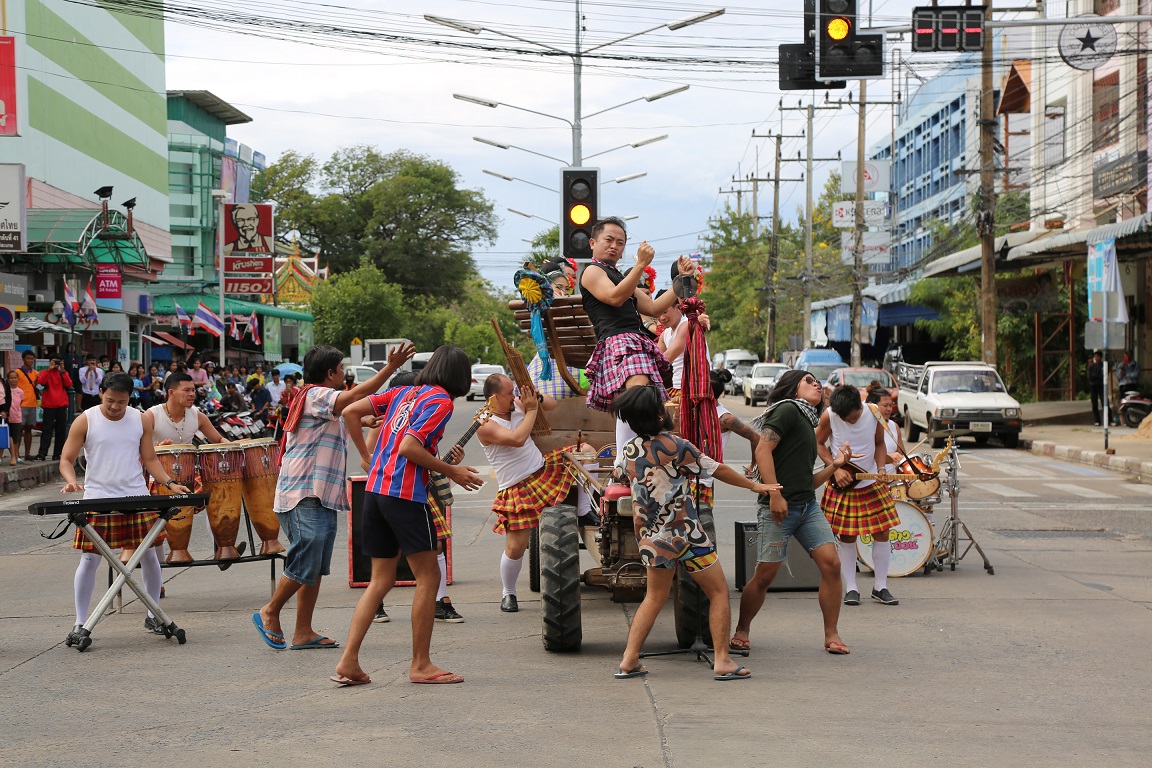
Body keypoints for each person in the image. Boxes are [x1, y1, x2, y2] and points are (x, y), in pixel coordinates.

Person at [253, 342, 414, 656]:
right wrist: (391, 368)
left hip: (319, 494)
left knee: (314, 566)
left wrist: (365, 422)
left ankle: (303, 631)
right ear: (330, 374)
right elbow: (353, 398)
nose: (344, 375)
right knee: (307, 555)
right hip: (305, 492)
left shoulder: (319, 401)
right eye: (341, 370)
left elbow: (342, 416)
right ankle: (270, 611)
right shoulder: (315, 394)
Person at [333, 345, 480, 686]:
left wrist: (367, 455)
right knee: (429, 577)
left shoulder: (404, 392)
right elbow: (409, 447)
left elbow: (351, 411)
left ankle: (349, 661)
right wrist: (451, 471)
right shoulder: (440, 400)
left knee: (380, 581)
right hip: (404, 496)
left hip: (375, 493)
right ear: (460, 376)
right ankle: (420, 664)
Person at [610, 384, 778, 681]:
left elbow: (618, 474)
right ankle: (723, 660)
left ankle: (629, 659)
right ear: (659, 416)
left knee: (653, 598)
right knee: (717, 592)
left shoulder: (628, 451)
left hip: (651, 538)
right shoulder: (677, 445)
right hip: (687, 535)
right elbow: (715, 469)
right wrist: (755, 485)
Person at [58, 373, 192, 640]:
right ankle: (79, 622)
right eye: (110, 401)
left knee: (150, 556)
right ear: (100, 394)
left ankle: (154, 615)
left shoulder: (140, 419)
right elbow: (66, 458)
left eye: (121, 402)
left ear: (129, 398)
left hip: (135, 495)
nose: (115, 407)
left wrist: (170, 483)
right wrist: (71, 481)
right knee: (89, 560)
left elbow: (150, 459)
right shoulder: (86, 420)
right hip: (97, 497)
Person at [731, 370, 854, 655]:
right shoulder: (787, 410)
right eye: (808, 380)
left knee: (832, 565)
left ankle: (831, 634)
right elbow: (763, 451)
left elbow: (806, 482)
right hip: (778, 508)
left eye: (817, 382)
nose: (816, 384)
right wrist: (774, 494)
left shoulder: (807, 421)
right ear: (792, 388)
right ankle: (742, 629)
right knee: (765, 575)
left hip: (807, 507)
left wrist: (836, 465)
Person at [579, 217, 698, 471]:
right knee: (637, 397)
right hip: (618, 341)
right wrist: (641, 264)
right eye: (608, 240)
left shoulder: (619, 275)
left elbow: (653, 307)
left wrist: (682, 279)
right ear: (592, 242)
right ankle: (625, 461)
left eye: (620, 243)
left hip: (635, 340)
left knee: (642, 401)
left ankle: (632, 458)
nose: (614, 246)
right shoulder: (592, 271)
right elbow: (613, 297)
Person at [477, 373, 577, 612]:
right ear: (493, 397)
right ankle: (508, 593)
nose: (514, 396)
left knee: (583, 454)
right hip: (516, 486)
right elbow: (517, 438)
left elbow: (552, 404)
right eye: (509, 393)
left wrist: (536, 397)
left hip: (542, 471)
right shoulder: (484, 421)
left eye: (514, 392)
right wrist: (531, 410)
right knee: (515, 548)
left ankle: (587, 511)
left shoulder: (518, 404)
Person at [816, 385, 901, 607]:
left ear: (859, 405)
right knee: (847, 536)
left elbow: (880, 443)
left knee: (882, 533)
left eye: (853, 417)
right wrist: (834, 468)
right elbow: (817, 444)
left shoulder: (873, 412)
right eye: (845, 419)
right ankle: (851, 588)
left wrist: (881, 469)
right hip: (842, 483)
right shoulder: (830, 415)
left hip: (872, 481)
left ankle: (880, 586)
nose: (850, 421)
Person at [36, 356, 73, 462]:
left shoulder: (62, 373)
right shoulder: (45, 372)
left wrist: (63, 370)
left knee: (60, 431)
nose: (56, 364)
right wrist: (49, 369)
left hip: (61, 405)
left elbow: (69, 384)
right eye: (54, 361)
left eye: (58, 362)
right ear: (50, 362)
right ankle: (42, 453)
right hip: (49, 405)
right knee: (46, 430)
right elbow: (41, 382)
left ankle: (58, 453)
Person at [14, 351, 39, 461]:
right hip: (21, 404)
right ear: (23, 359)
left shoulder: (35, 373)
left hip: (32, 404)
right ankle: (16, 453)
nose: (30, 360)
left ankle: (27, 454)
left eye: (32, 359)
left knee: (29, 429)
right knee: (19, 429)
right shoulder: (17, 372)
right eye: (28, 358)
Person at [5, 370, 24, 465]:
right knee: (7, 437)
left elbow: (20, 403)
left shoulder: (20, 391)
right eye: (11, 378)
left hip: (17, 417)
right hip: (7, 417)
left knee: (16, 438)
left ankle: (16, 456)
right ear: (7, 379)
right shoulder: (5, 390)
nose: (13, 380)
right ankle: (12, 455)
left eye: (15, 378)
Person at [1087, 351, 1105, 426]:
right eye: (1095, 356)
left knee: (1104, 402)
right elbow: (1090, 377)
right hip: (1093, 385)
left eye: (1098, 356)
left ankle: (1108, 419)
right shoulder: (1091, 366)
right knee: (1094, 403)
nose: (1096, 358)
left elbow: (1103, 375)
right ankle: (1097, 420)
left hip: (1101, 385)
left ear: (1100, 357)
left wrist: (1096, 376)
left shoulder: (1103, 365)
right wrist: (1097, 375)